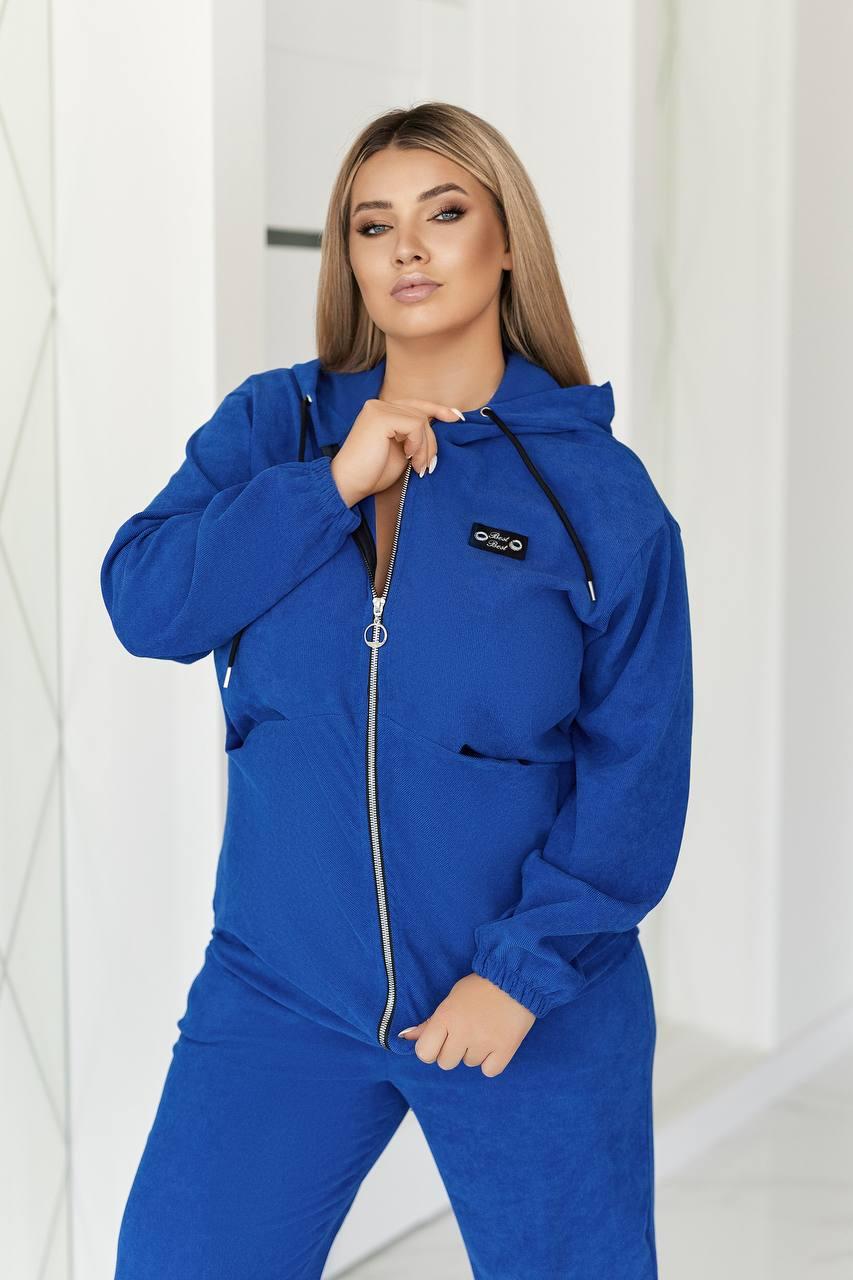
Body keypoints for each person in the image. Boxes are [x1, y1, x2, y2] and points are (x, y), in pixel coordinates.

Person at [101, 101, 693, 1280]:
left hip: (525, 998)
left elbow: (638, 766)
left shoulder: (598, 495)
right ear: (349, 256)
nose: (406, 248)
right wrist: (327, 484)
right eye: (372, 225)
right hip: (280, 988)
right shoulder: (275, 426)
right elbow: (146, 602)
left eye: (444, 213)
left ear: (506, 239)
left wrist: (519, 973)